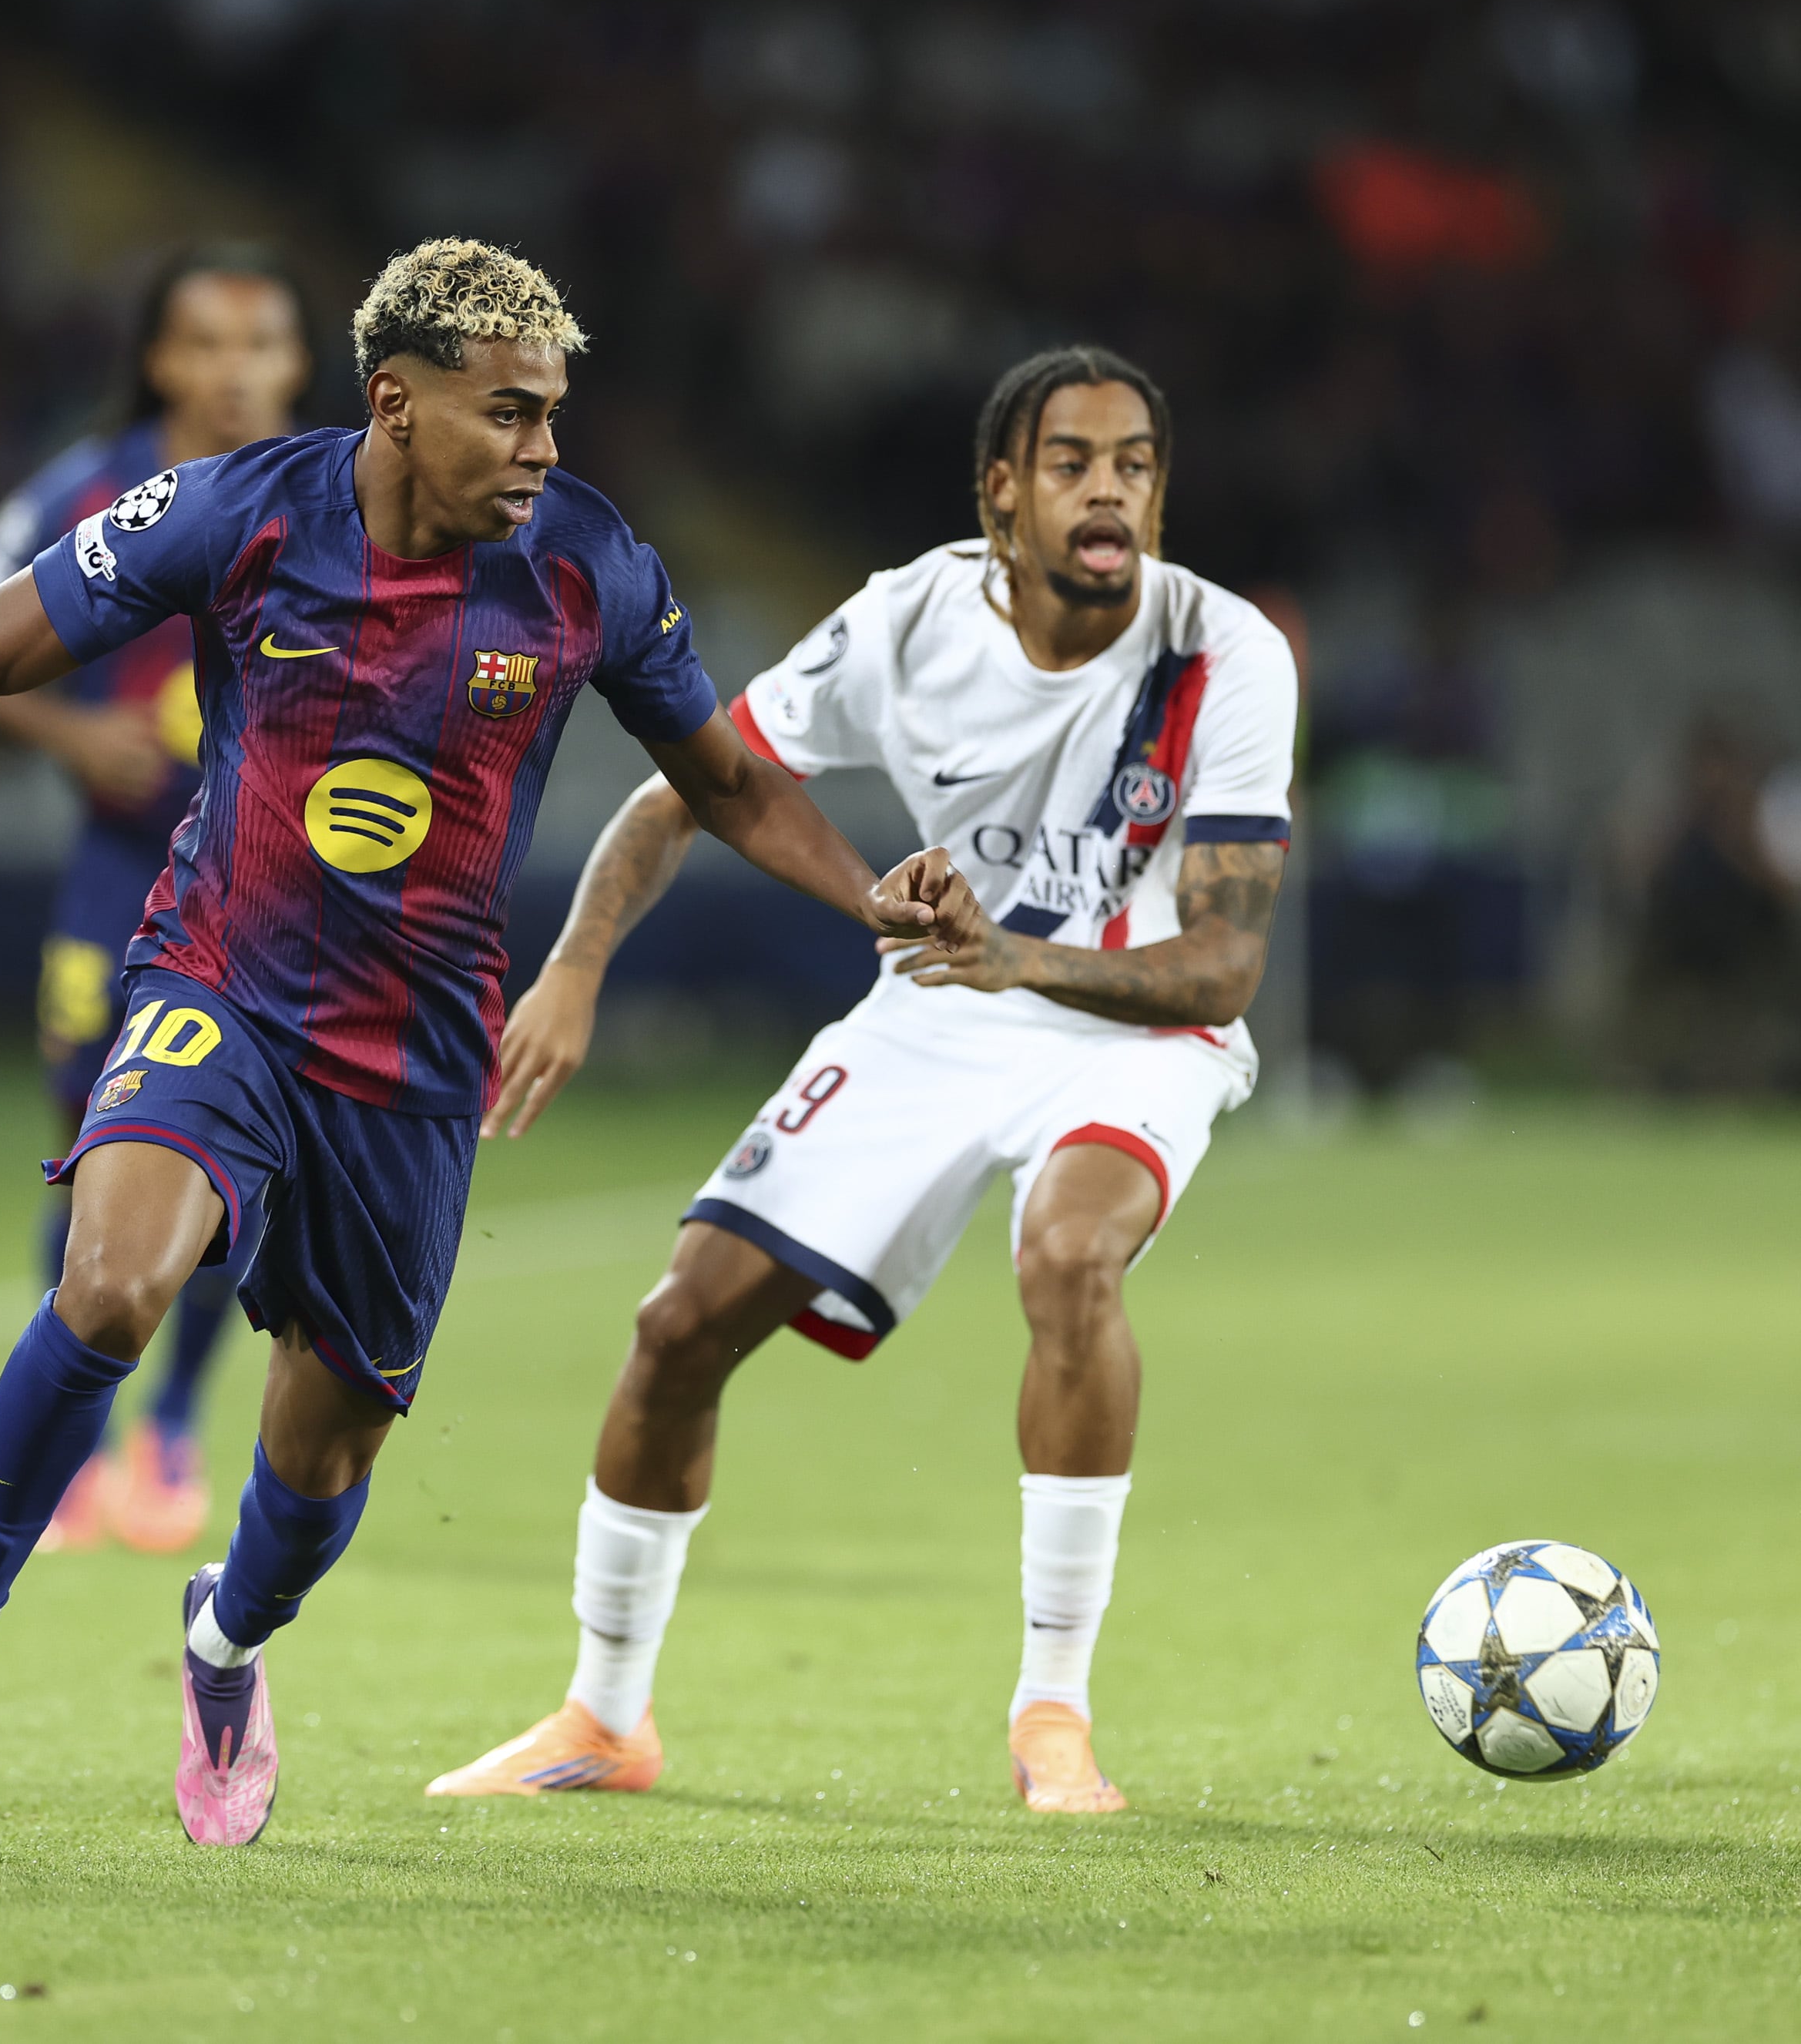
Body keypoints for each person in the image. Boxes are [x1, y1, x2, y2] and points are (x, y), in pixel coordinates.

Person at [0, 239, 983, 1845]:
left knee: (323, 1443)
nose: (542, 450)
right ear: (395, 403)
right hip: (219, 975)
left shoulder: (586, 567)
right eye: (508, 414)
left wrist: (867, 897)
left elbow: (724, 776)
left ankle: (225, 1640)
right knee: (112, 1281)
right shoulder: (242, 510)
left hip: (417, 1059)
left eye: (553, 414)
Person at [422, 347, 1296, 1815]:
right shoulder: (908, 618)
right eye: (1074, 462)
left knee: (1071, 1255)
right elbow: (692, 785)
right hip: (940, 1010)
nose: (1110, 493)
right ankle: (604, 1716)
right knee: (678, 1327)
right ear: (1001, 493)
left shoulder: (1226, 655)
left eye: (1137, 465)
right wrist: (573, 967)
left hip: (1136, 1028)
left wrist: (1025, 961)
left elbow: (1221, 969)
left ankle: (1053, 1719)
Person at [0, 243, 314, 1556]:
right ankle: (83, 1441)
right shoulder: (91, 488)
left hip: (275, 900)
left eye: (261, 344)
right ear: (160, 358)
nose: (234, 372)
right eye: (207, 344)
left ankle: (168, 1430)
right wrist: (74, 738)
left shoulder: (336, 494)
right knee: (91, 1139)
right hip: (120, 879)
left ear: (299, 361)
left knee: (229, 1166)